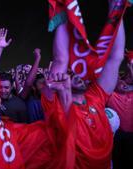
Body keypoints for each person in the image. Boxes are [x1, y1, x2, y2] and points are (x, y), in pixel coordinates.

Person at [42, 0, 127, 167]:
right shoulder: (55, 103)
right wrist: (63, 12)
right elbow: (61, 59)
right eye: (70, 72)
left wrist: (116, 7)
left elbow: (115, 58)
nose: (76, 75)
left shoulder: (95, 96)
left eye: (79, 72)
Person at [107, 60, 133, 168]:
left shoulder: (131, 94)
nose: (124, 83)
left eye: (126, 81)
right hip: (117, 136)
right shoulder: (111, 95)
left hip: (131, 135)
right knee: (118, 161)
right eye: (120, 81)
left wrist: (130, 66)